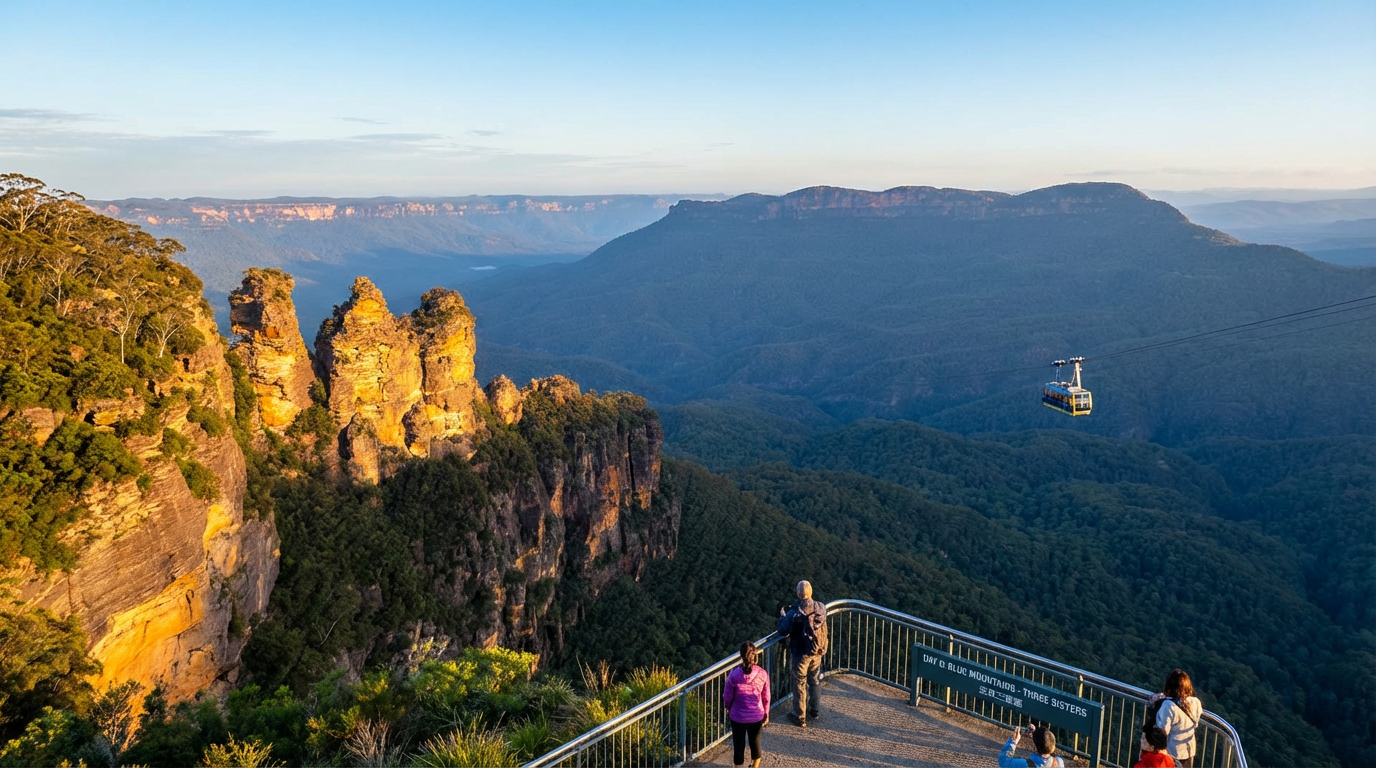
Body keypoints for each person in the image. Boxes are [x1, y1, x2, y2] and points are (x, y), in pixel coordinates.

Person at [777, 580, 827, 727]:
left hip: (801, 653)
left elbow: (783, 630)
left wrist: (782, 617)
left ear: (798, 594)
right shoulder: (820, 607)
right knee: (815, 679)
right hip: (817, 650)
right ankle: (815, 710)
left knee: (799, 683)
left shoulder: (794, 613)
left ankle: (799, 715)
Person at [722, 641, 770, 768]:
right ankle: (755, 766)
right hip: (756, 715)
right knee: (755, 742)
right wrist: (766, 713)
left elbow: (727, 696)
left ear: (741, 656)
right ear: (755, 656)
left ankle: (739, 766)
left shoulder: (734, 675)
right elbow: (766, 696)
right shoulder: (763, 674)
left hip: (737, 716)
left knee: (739, 743)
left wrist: (728, 707)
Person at [1150, 669, 1203, 767]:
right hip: (1189, 751)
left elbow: (1162, 732)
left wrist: (1157, 703)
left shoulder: (1168, 705)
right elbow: (1195, 723)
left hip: (1173, 753)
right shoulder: (1195, 702)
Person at [998, 724, 1065, 767]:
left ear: (1035, 748)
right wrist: (1037, 735)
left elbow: (1003, 761)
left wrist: (1013, 741)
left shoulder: (1025, 764)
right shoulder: (1059, 762)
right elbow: (1047, 750)